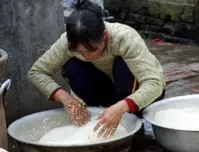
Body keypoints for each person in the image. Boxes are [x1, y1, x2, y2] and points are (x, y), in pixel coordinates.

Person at [28, 0, 166, 138]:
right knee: (72, 64)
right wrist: (66, 99)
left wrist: (121, 107)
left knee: (121, 65)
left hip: (142, 93)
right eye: (79, 52)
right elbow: (37, 71)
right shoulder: (65, 43)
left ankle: (134, 119)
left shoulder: (124, 38)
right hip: (109, 91)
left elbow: (154, 85)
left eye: (92, 50)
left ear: (105, 36)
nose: (86, 56)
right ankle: (102, 110)